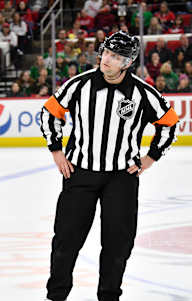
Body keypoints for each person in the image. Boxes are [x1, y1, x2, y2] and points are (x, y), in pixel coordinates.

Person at [40, 31, 179, 301]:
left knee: (117, 243)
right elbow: (49, 113)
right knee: (65, 241)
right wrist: (56, 150)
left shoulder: (143, 92)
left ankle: (109, 296)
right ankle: (56, 296)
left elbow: (170, 124)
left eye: (116, 56)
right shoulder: (78, 85)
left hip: (121, 178)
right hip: (79, 173)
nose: (107, 59)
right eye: (106, 52)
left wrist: (150, 158)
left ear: (127, 63)